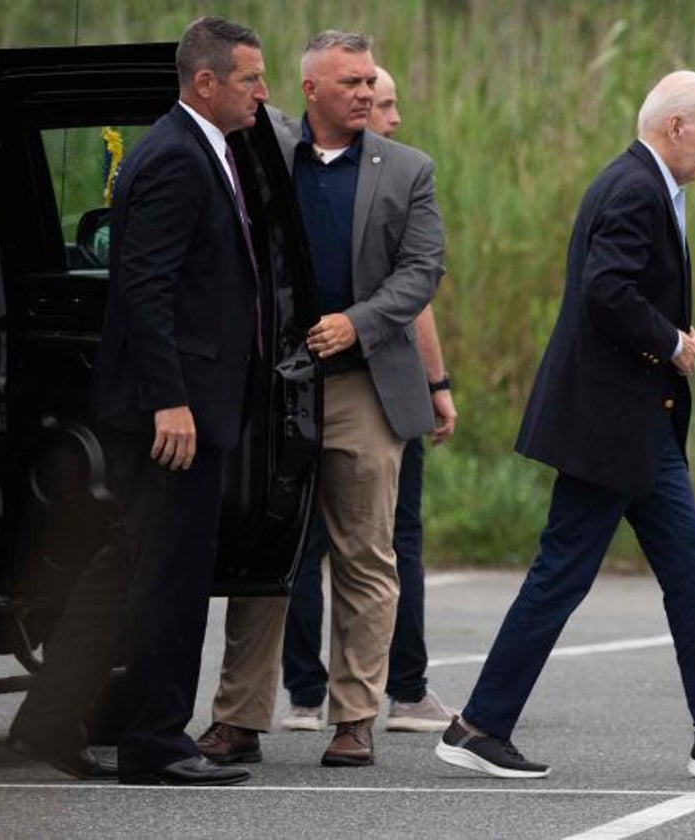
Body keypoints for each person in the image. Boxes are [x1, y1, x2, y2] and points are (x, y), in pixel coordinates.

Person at [434, 71, 695, 780]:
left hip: (638, 425)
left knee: (690, 569)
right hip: (610, 427)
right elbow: (606, 289)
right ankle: (479, 726)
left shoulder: (642, 183)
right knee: (562, 575)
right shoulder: (635, 188)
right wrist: (670, 340)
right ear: (675, 128)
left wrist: (664, 345)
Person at [7, 16, 267, 787]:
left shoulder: (204, 149)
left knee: (123, 569)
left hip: (183, 400)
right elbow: (142, 289)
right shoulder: (174, 158)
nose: (262, 93)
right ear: (206, 82)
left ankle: (48, 723)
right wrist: (171, 402)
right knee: (170, 578)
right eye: (250, 78)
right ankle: (156, 744)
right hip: (171, 413)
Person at [196, 31, 444, 768]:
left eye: (371, 82)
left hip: (364, 385)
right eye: (352, 84)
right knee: (261, 550)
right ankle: (239, 717)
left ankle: (355, 717)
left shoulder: (408, 170)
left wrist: (357, 322)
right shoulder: (263, 153)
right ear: (309, 92)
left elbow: (422, 270)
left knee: (366, 555)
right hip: (273, 389)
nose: (367, 94)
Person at [279, 64, 458, 734]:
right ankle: (345, 689)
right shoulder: (307, 168)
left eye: (381, 98)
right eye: (380, 101)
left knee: (356, 546)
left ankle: (337, 697)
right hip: (336, 380)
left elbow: (417, 289)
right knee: (355, 544)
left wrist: (434, 385)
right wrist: (439, 386)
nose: (388, 114)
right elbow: (415, 307)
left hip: (376, 380)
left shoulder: (399, 172)